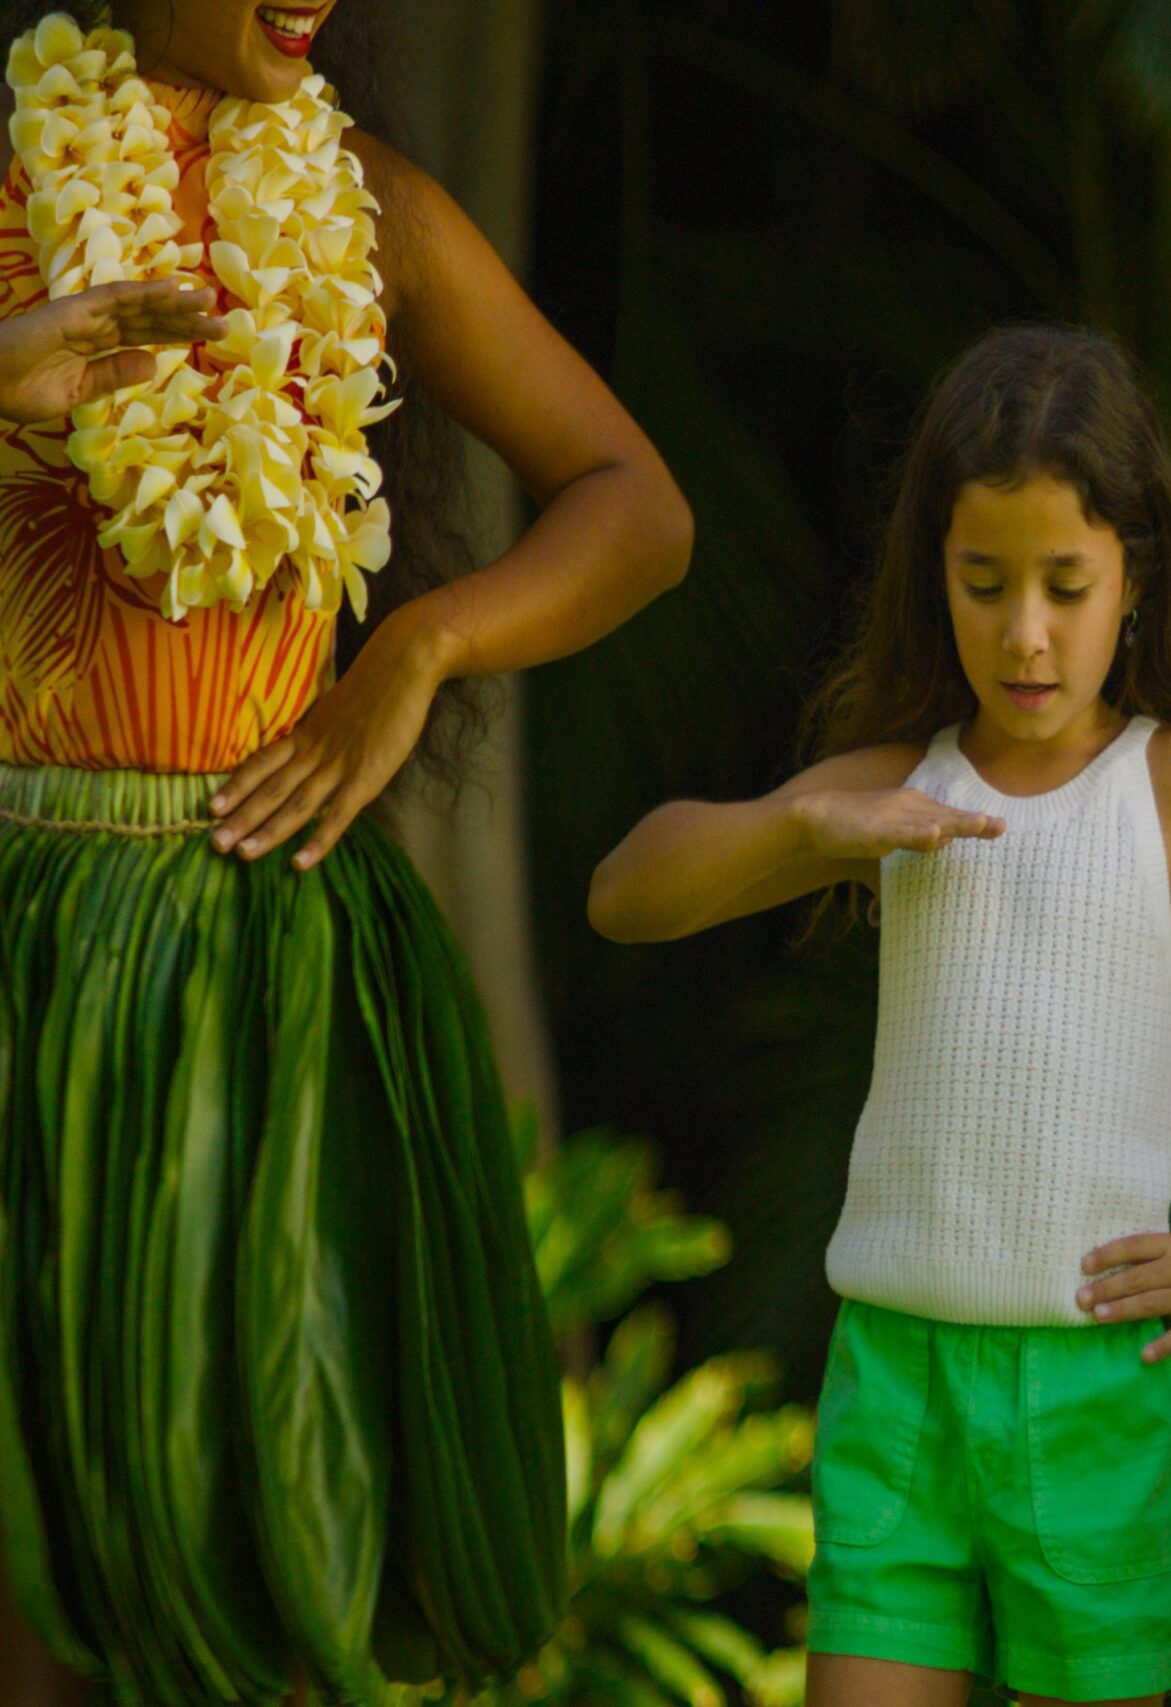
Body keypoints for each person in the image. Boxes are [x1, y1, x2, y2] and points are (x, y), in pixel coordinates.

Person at [588, 324, 1171, 1706]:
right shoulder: (896, 782)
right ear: (936, 572)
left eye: (1066, 583)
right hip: (897, 1383)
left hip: (1093, 1392)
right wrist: (807, 828)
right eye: (985, 583)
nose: (1027, 631)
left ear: (1134, 576)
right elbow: (628, 893)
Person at [0, 1, 692, 1700]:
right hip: (30, 949)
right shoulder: (11, 180)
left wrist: (422, 650)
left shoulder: (364, 200)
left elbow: (635, 503)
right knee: (40, 1557)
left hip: (281, 965)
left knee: (278, 1547)